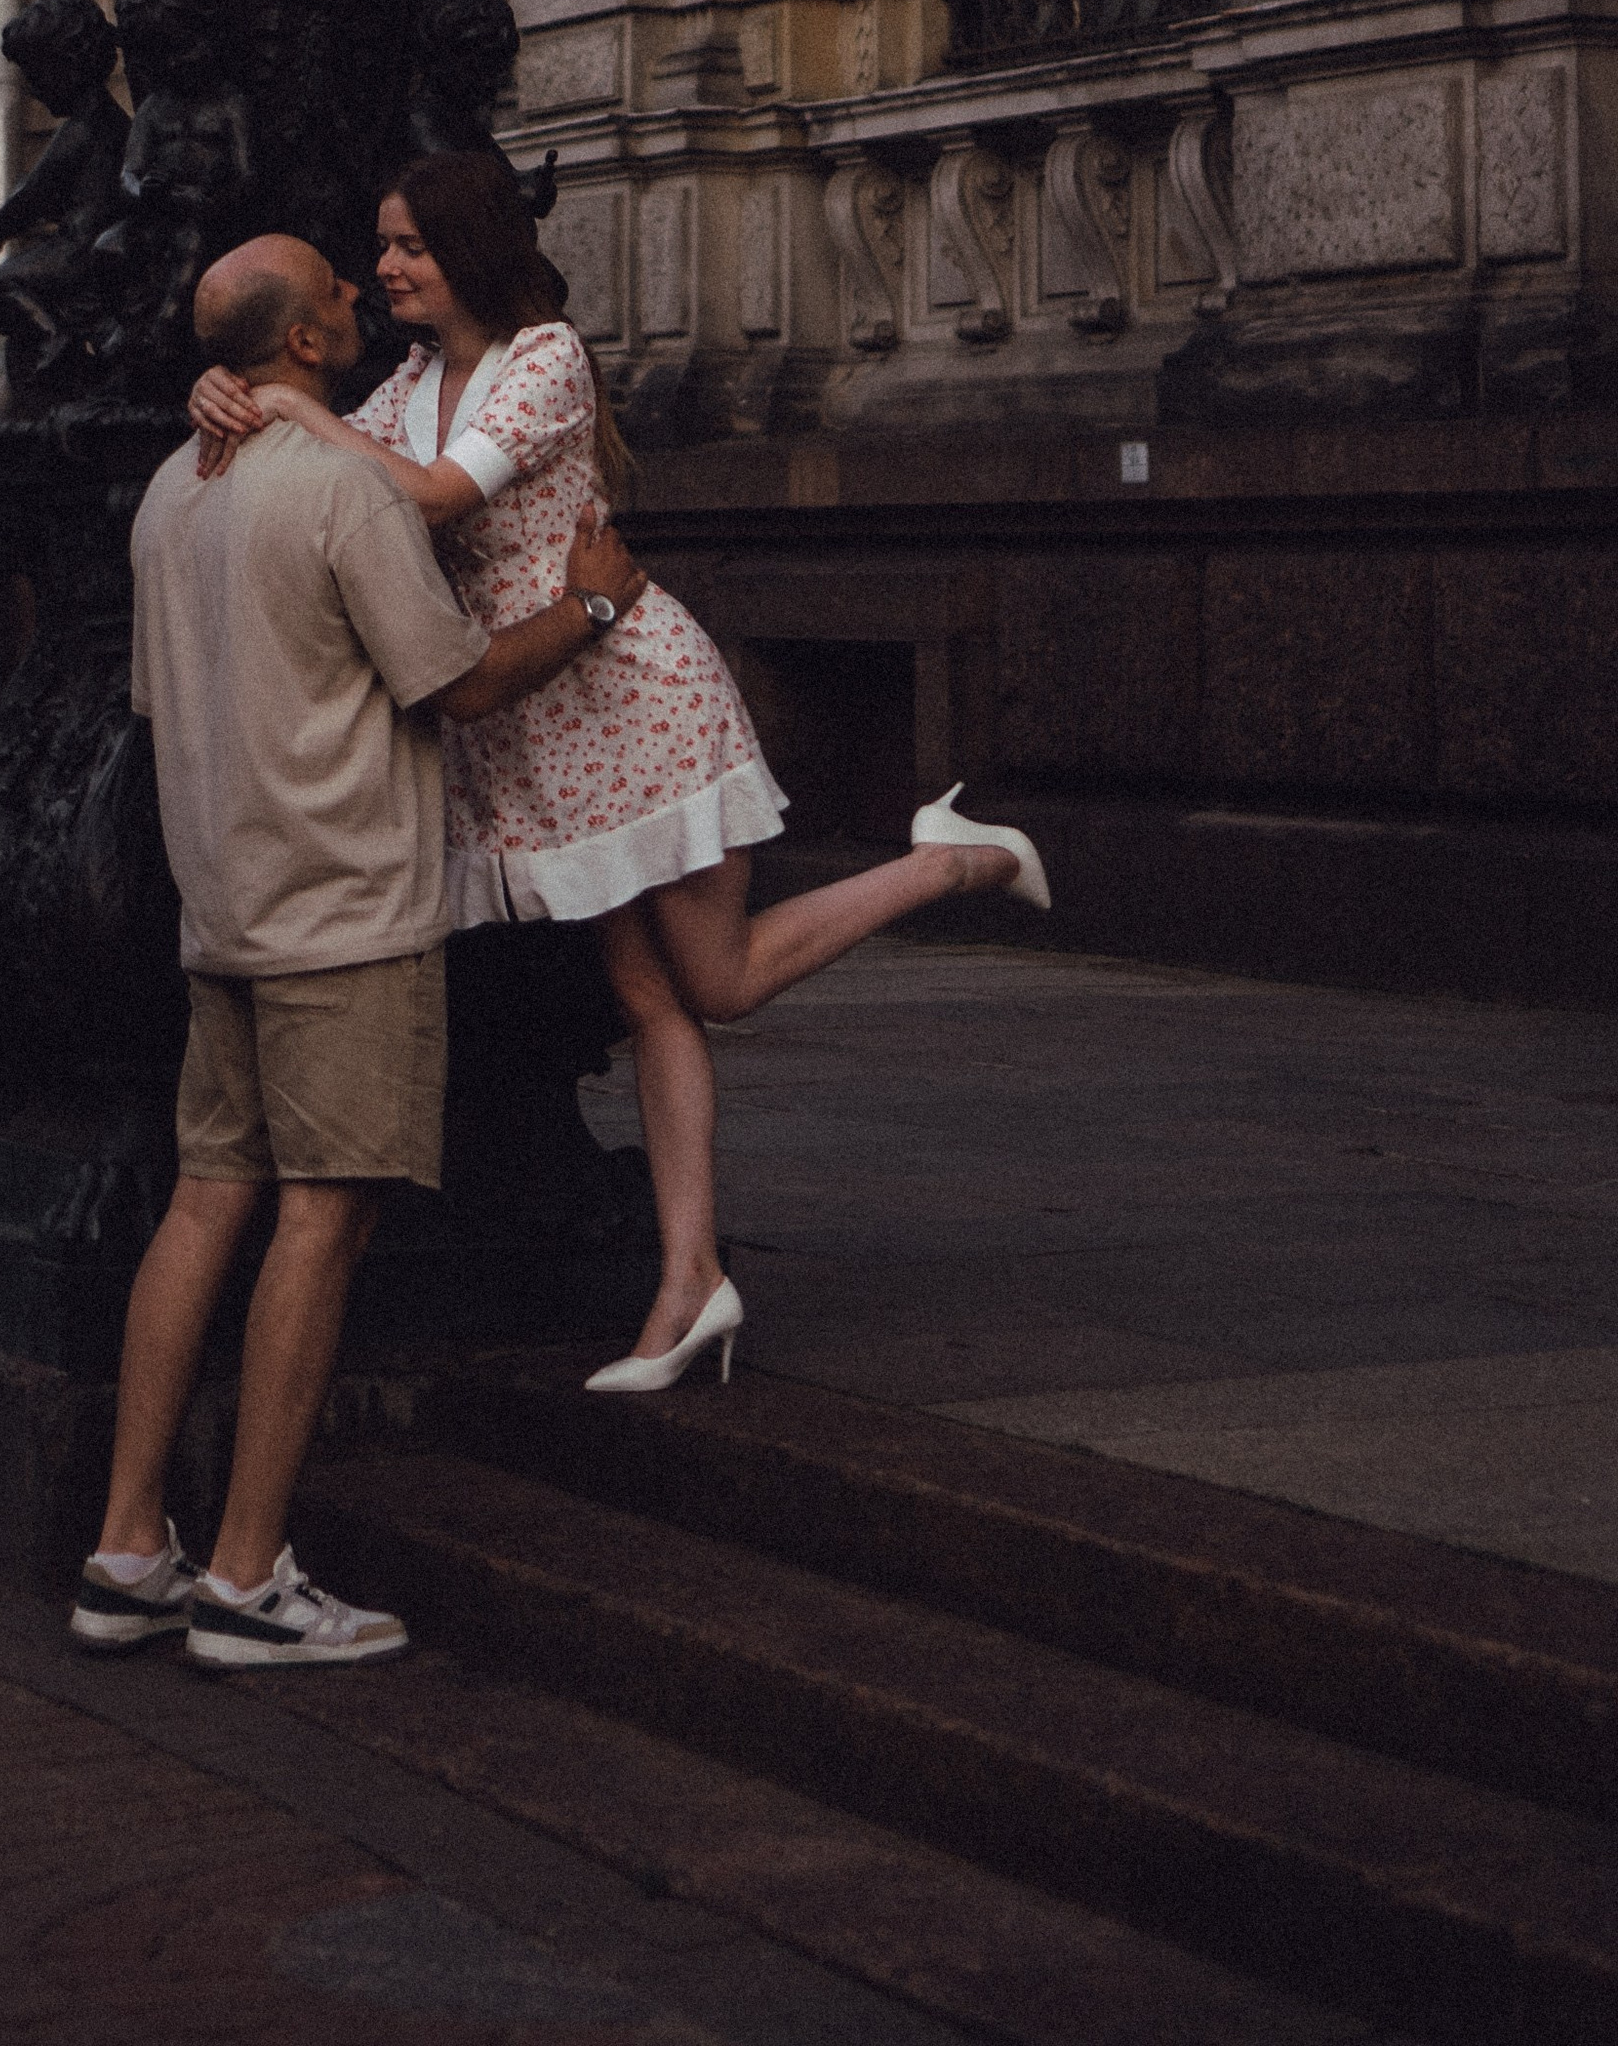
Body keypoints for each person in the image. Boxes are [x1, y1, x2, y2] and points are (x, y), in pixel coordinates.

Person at [189, 152, 1049, 1393]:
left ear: (467, 252)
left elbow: (426, 498)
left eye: (407, 248)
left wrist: (289, 410)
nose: (383, 270)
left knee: (718, 979)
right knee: (652, 1002)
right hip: (536, 726)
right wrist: (222, 388)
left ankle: (951, 861)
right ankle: (690, 1280)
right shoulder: (414, 379)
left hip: (630, 698)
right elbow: (337, 471)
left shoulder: (544, 360)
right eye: (378, 248)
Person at [76, 229, 648, 1672]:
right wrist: (587, 605)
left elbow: (158, 704)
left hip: (226, 908)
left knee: (206, 1205)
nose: (357, 297)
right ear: (313, 344)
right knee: (322, 1222)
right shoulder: (338, 490)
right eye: (341, 289)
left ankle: (126, 1548)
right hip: (345, 911)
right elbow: (453, 684)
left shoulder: (166, 493)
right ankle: (249, 1578)